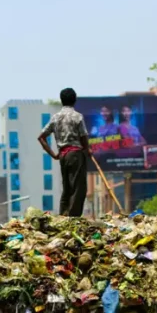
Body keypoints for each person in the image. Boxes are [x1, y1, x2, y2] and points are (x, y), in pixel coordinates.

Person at [38, 87, 91, 217]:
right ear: (75, 100)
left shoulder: (56, 117)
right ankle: (73, 218)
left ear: (61, 100)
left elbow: (41, 137)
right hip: (76, 154)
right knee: (78, 188)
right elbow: (83, 136)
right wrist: (87, 149)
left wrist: (54, 154)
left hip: (63, 155)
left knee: (67, 187)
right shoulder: (77, 116)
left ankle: (63, 215)